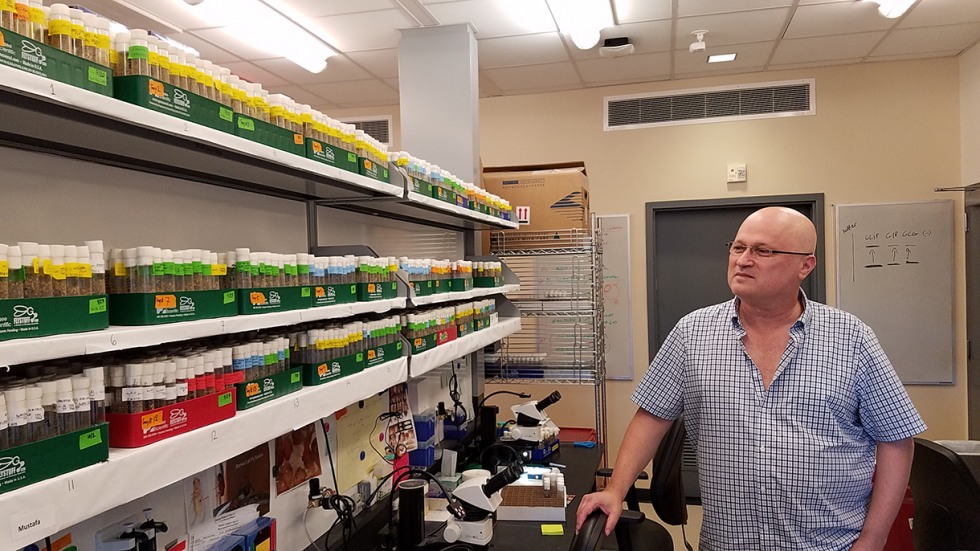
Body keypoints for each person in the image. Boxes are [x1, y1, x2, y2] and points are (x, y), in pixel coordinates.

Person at [576, 207, 926, 551]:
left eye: (763, 251)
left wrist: (873, 539)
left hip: (828, 543)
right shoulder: (692, 332)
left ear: (805, 265)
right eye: (738, 247)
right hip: (727, 541)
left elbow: (896, 440)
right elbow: (653, 415)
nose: (743, 259)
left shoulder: (851, 338)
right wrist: (615, 489)